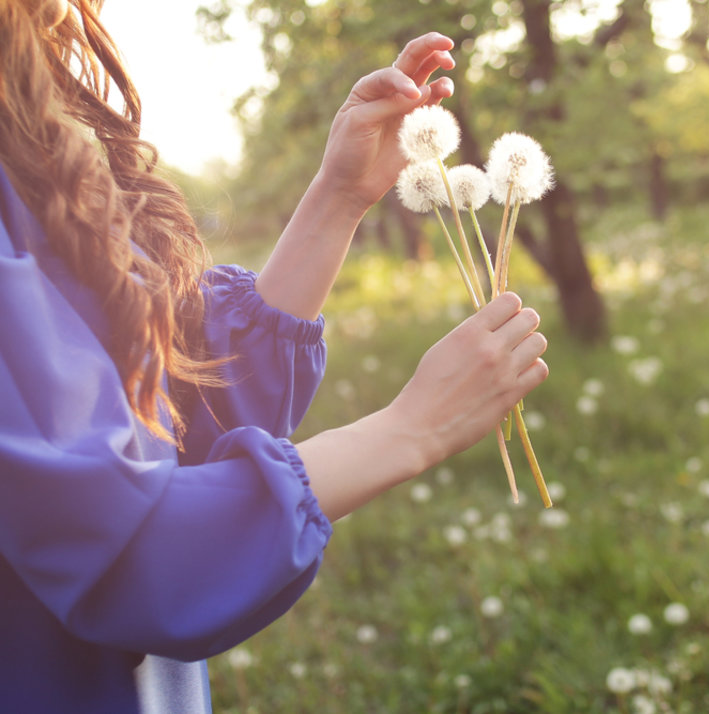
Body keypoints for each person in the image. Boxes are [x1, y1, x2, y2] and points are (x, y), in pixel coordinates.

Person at [0, 1, 549, 712]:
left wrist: (339, 197)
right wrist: (410, 429)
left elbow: (175, 412)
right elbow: (124, 551)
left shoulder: (27, 137)